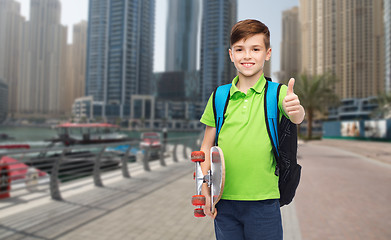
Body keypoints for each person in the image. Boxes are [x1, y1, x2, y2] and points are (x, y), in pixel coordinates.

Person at [199, 19, 305, 240]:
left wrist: (296, 110)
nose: (247, 56)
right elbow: (206, 147)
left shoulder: (278, 93)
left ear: (267, 53)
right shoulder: (219, 96)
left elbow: (297, 117)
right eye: (240, 49)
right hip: (224, 201)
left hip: (264, 202)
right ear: (231, 54)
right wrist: (204, 190)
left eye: (255, 49)